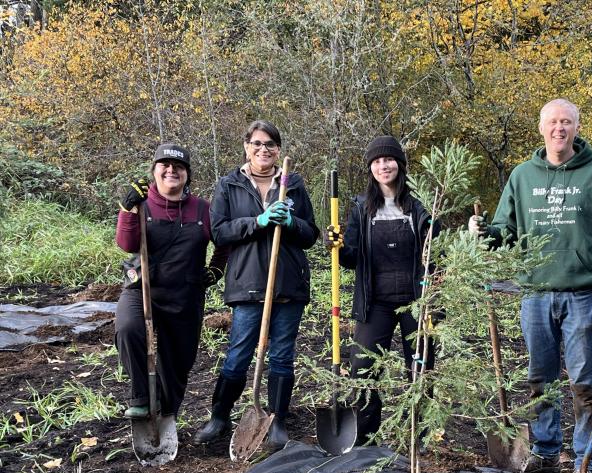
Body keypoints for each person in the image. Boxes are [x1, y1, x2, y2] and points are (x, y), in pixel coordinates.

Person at [468, 98, 592, 473]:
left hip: (582, 295)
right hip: (535, 293)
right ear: (541, 128)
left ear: (576, 127)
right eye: (553, 122)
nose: (560, 128)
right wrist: (483, 233)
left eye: (567, 122)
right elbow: (505, 230)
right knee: (540, 377)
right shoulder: (523, 176)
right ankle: (544, 452)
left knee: (585, 381)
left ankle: (588, 457)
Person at [193, 121, 319, 451]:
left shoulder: (292, 183)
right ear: (246, 146)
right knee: (238, 354)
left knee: (281, 356)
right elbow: (219, 232)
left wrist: (290, 223)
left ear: (278, 150)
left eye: (271, 145)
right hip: (247, 282)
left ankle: (276, 419)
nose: (264, 150)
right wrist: (259, 221)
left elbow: (310, 234)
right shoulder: (229, 185)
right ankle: (220, 416)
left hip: (288, 282)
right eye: (257, 144)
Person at [325, 135, 439, 445]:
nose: (382, 165)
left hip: (417, 302)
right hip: (375, 303)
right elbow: (350, 258)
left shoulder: (419, 206)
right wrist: (337, 246)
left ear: (400, 165)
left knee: (420, 369)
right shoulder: (362, 208)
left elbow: (436, 254)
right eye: (376, 161)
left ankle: (416, 435)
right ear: (370, 169)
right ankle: (365, 436)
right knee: (363, 368)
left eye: (388, 160)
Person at [115, 143, 228, 419]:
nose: (171, 170)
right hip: (144, 289)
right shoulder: (141, 205)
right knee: (129, 329)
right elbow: (127, 244)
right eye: (164, 165)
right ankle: (141, 397)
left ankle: (167, 416)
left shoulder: (202, 209)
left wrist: (216, 270)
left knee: (178, 362)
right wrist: (127, 209)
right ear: (154, 171)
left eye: (178, 167)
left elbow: (224, 244)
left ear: (187, 174)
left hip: (185, 295)